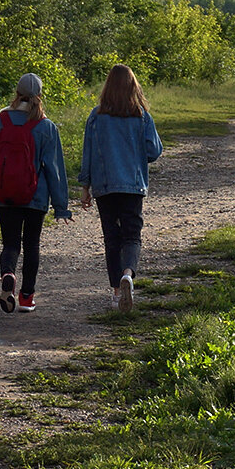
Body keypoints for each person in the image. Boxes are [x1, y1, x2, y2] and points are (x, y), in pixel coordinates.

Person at [0, 73, 72, 314]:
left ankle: (7, 273)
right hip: (35, 198)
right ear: (39, 96)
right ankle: (27, 297)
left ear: (16, 94)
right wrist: (61, 206)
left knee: (10, 243)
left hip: (5, 195)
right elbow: (54, 170)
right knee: (31, 245)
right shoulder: (46, 127)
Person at [79, 64, 162, 312]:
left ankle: (116, 292)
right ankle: (128, 274)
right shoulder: (141, 116)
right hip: (132, 185)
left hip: (104, 186)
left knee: (111, 238)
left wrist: (85, 186)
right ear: (132, 88)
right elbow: (154, 151)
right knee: (132, 235)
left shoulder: (96, 116)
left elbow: (88, 153)